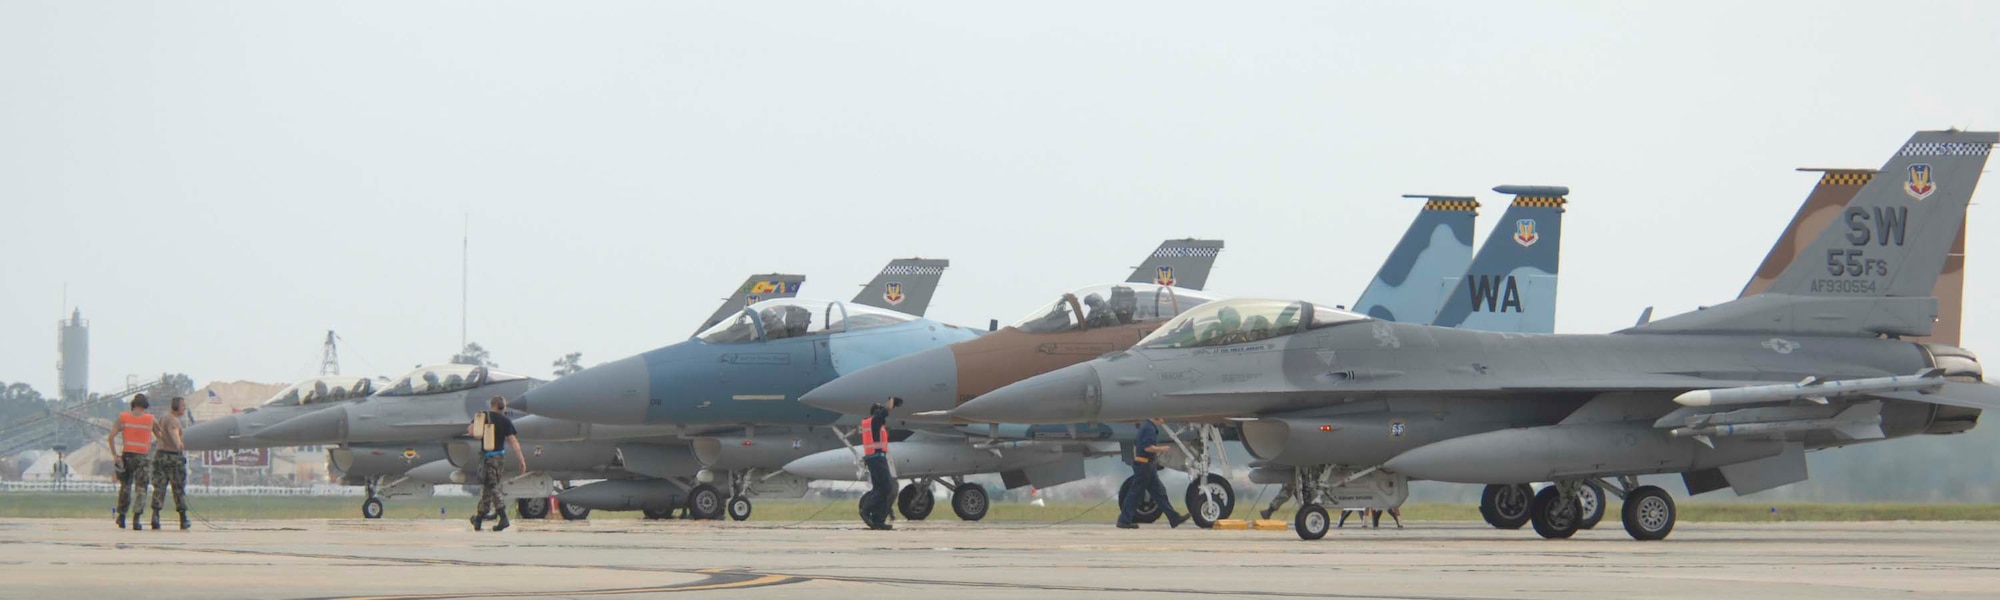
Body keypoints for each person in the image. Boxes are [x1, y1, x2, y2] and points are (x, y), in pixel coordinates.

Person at [466, 396, 527, 532]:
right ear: (503, 406)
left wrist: (478, 424)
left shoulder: (483, 416)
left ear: (492, 405)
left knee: (493, 487)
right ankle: (479, 519)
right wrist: (521, 460)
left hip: (488, 458)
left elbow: (471, 431)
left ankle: (503, 517)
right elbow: (513, 442)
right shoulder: (506, 421)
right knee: (487, 489)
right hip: (500, 459)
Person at [1118, 417, 1188, 529]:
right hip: (1144, 466)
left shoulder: (1146, 426)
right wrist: (1162, 449)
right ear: (1157, 417)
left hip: (1146, 465)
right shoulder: (1149, 428)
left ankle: (1174, 518)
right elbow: (1148, 448)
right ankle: (1124, 520)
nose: (1163, 420)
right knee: (1136, 493)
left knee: (1159, 493)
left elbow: (1137, 445)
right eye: (1162, 417)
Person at [107, 394, 155, 530]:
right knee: (141, 489)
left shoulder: (124, 418)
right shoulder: (150, 419)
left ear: (133, 404)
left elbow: (110, 437)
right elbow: (160, 436)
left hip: (127, 456)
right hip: (143, 458)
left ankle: (121, 516)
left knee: (125, 486)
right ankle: (136, 518)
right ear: (145, 405)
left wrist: (115, 455)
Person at [859, 397, 901, 530]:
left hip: (876, 458)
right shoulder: (874, 421)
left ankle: (878, 520)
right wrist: (890, 404)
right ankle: (866, 509)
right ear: (876, 412)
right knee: (887, 487)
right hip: (876, 459)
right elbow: (882, 414)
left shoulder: (873, 424)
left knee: (881, 488)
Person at [150, 396, 192, 530]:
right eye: (183, 406)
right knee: (178, 488)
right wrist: (179, 445)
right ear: (176, 407)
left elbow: (156, 429)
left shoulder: (163, 418)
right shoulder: (173, 420)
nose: (184, 408)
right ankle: (183, 518)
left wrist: (160, 439)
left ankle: (155, 516)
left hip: (160, 455)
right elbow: (174, 433)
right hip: (172, 457)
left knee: (159, 487)